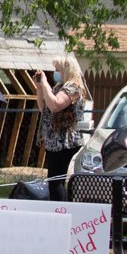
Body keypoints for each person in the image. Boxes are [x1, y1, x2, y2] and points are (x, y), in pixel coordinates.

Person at [36, 55, 89, 202]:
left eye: (57, 69)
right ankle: (59, 208)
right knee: (53, 181)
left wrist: (45, 83)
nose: (55, 72)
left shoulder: (74, 88)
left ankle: (61, 210)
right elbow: (44, 107)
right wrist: (40, 87)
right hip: (53, 141)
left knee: (56, 182)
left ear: (66, 70)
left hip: (65, 142)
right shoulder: (59, 87)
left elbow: (55, 105)